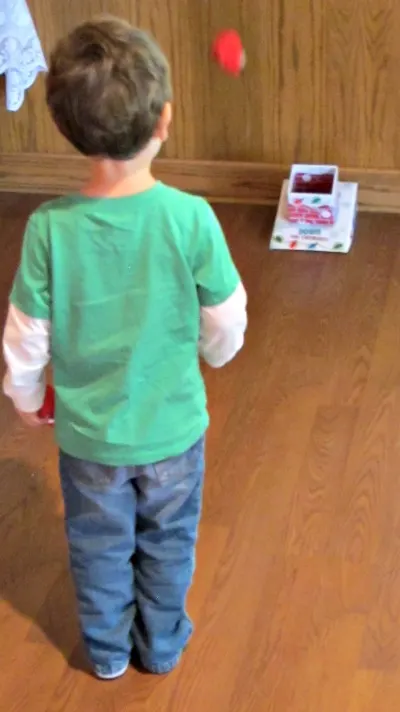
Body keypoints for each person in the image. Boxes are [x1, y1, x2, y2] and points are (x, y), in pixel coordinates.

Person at [2, 16, 247, 681]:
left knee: (98, 545)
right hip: (173, 432)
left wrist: (27, 398)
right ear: (165, 119)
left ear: (66, 128)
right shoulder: (191, 217)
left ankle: (108, 652)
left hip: (89, 442)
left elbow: (26, 334)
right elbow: (225, 319)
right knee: (169, 541)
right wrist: (214, 355)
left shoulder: (49, 228)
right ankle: (160, 644)